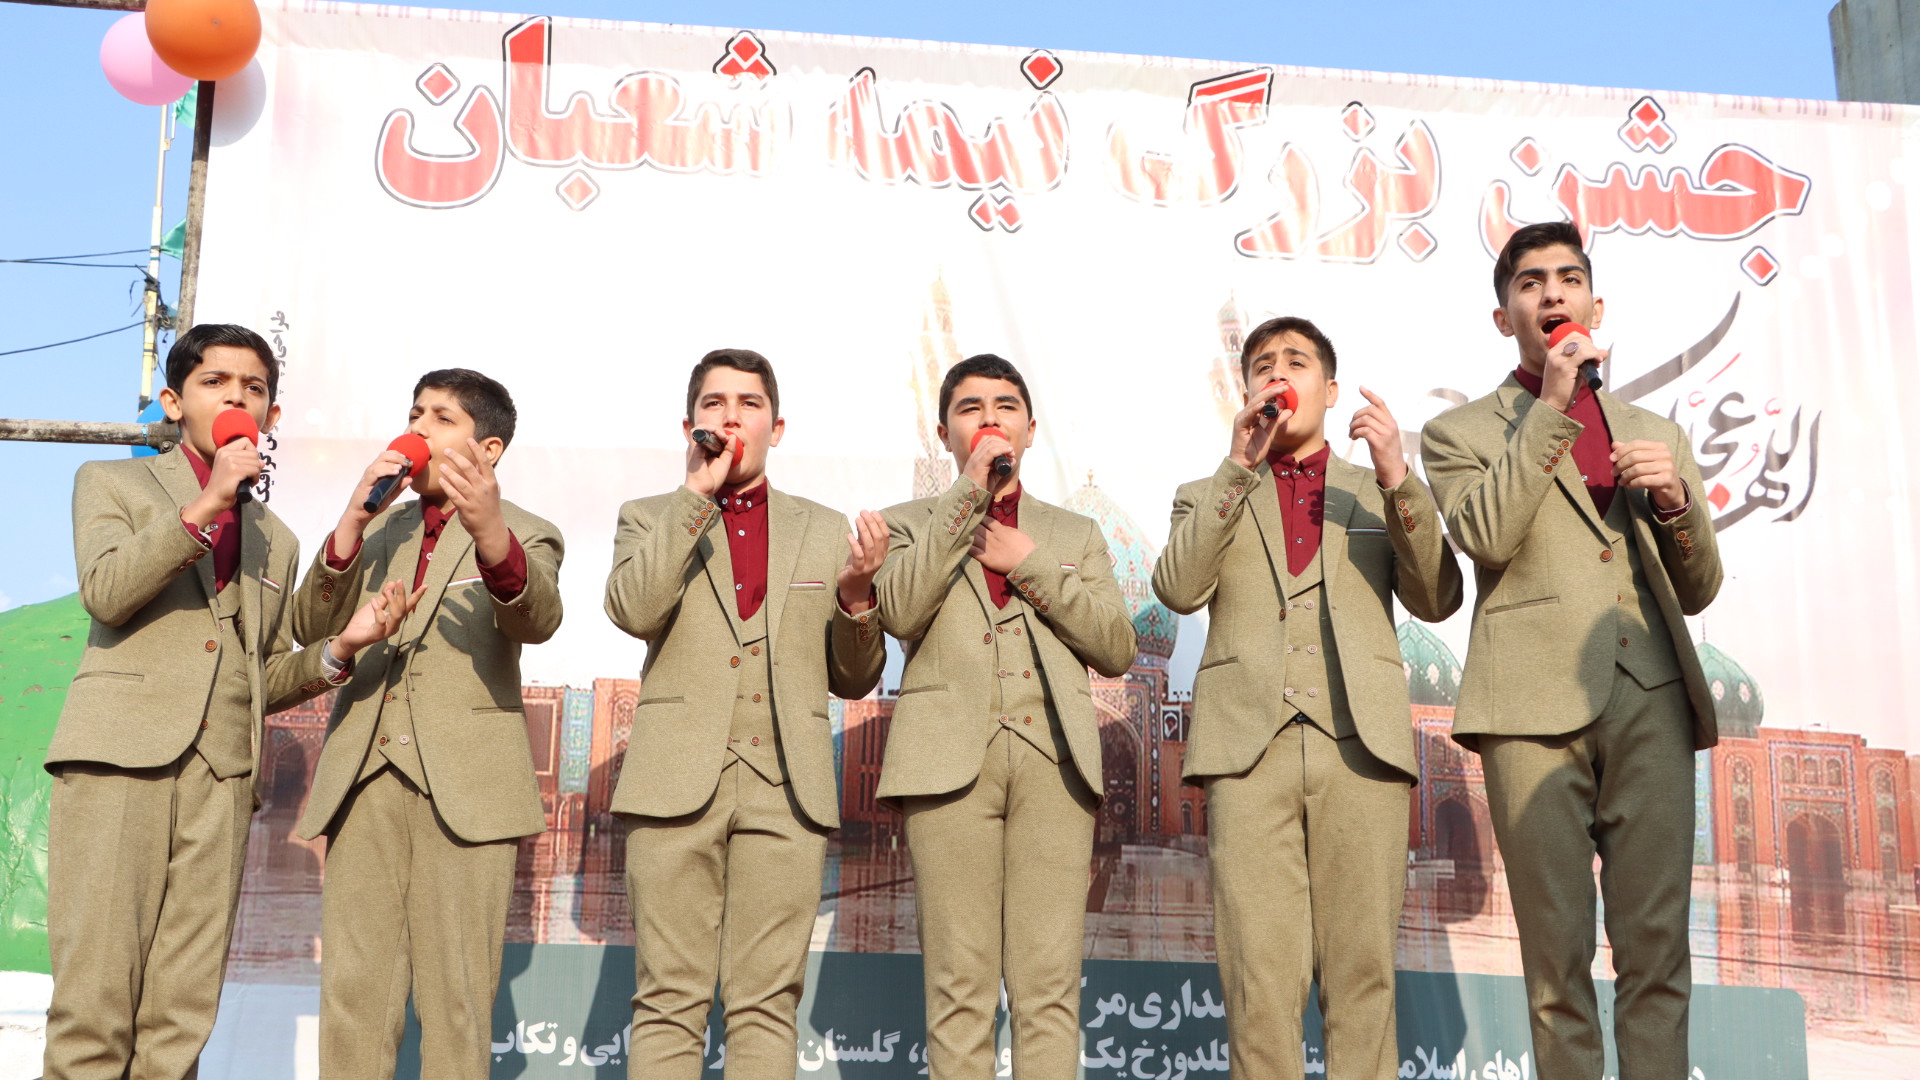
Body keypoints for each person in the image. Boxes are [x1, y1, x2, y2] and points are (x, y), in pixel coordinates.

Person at [41, 323, 411, 1080]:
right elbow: (107, 593)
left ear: (272, 415)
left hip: (221, 779)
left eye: (254, 388)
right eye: (216, 382)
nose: (237, 397)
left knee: (182, 1011)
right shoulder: (110, 483)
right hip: (119, 761)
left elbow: (258, 672)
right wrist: (207, 503)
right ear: (174, 402)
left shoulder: (275, 537)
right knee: (95, 1001)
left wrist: (340, 649)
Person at [1420, 221, 1723, 1079]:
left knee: (1657, 952)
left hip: (1650, 696)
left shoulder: (1653, 430)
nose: (1552, 292)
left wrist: (1675, 502)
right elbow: (1485, 535)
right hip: (1529, 707)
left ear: (1596, 304)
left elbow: (1699, 586)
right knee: (1557, 965)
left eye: (1568, 277)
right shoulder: (1458, 432)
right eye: (1530, 282)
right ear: (1503, 316)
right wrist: (1551, 408)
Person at [1153, 316, 1462, 1079]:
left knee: (1362, 976)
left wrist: (1399, 476)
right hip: (1246, 751)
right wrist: (1237, 466)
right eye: (1263, 364)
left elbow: (1437, 596)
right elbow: (1179, 587)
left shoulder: (1375, 490)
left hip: (1360, 749)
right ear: (1246, 392)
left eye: (1296, 361)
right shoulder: (1207, 493)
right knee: (1258, 983)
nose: (1277, 373)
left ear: (1329, 390)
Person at [605, 349, 886, 1080]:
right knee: (669, 998)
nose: (731, 417)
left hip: (786, 788)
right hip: (673, 782)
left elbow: (856, 677)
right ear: (690, 426)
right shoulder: (647, 518)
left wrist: (857, 599)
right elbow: (635, 610)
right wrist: (694, 496)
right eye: (715, 403)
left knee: (766, 1003)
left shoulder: (823, 528)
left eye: (749, 404)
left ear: (777, 427)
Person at [290, 368, 565, 1080]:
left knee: (456, 1002)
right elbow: (308, 628)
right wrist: (352, 521)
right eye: (415, 413)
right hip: (366, 779)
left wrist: (490, 533)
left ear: (488, 448)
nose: (418, 429)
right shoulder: (381, 528)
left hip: (467, 791)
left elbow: (537, 618)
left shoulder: (528, 532)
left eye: (441, 418)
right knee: (353, 996)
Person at [874, 353, 1137, 1080]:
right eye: (971, 409)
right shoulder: (905, 525)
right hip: (946, 766)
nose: (990, 420)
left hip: (1055, 765)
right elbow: (901, 610)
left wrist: (1029, 561)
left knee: (1047, 990)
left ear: (1029, 428)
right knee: (959, 987)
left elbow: (1116, 647)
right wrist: (967, 497)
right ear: (944, 433)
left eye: (1005, 407)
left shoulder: (1074, 534)